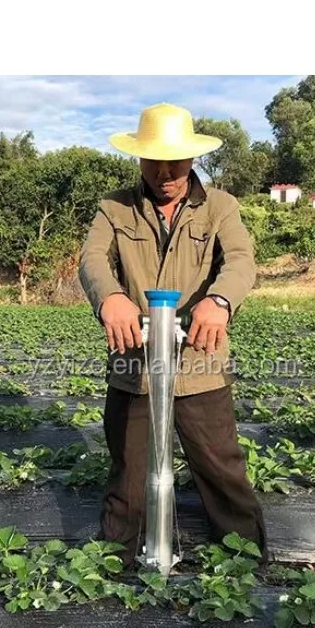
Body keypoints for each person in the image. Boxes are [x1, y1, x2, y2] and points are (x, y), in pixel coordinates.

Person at [78, 102, 267, 566]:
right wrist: (110, 297)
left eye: (175, 162)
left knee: (221, 470)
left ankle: (245, 566)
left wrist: (220, 301)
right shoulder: (114, 208)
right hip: (136, 364)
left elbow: (240, 260)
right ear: (139, 157)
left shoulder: (220, 207)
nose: (164, 173)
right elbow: (92, 259)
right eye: (154, 161)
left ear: (192, 157)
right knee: (129, 475)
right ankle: (113, 569)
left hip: (199, 362)